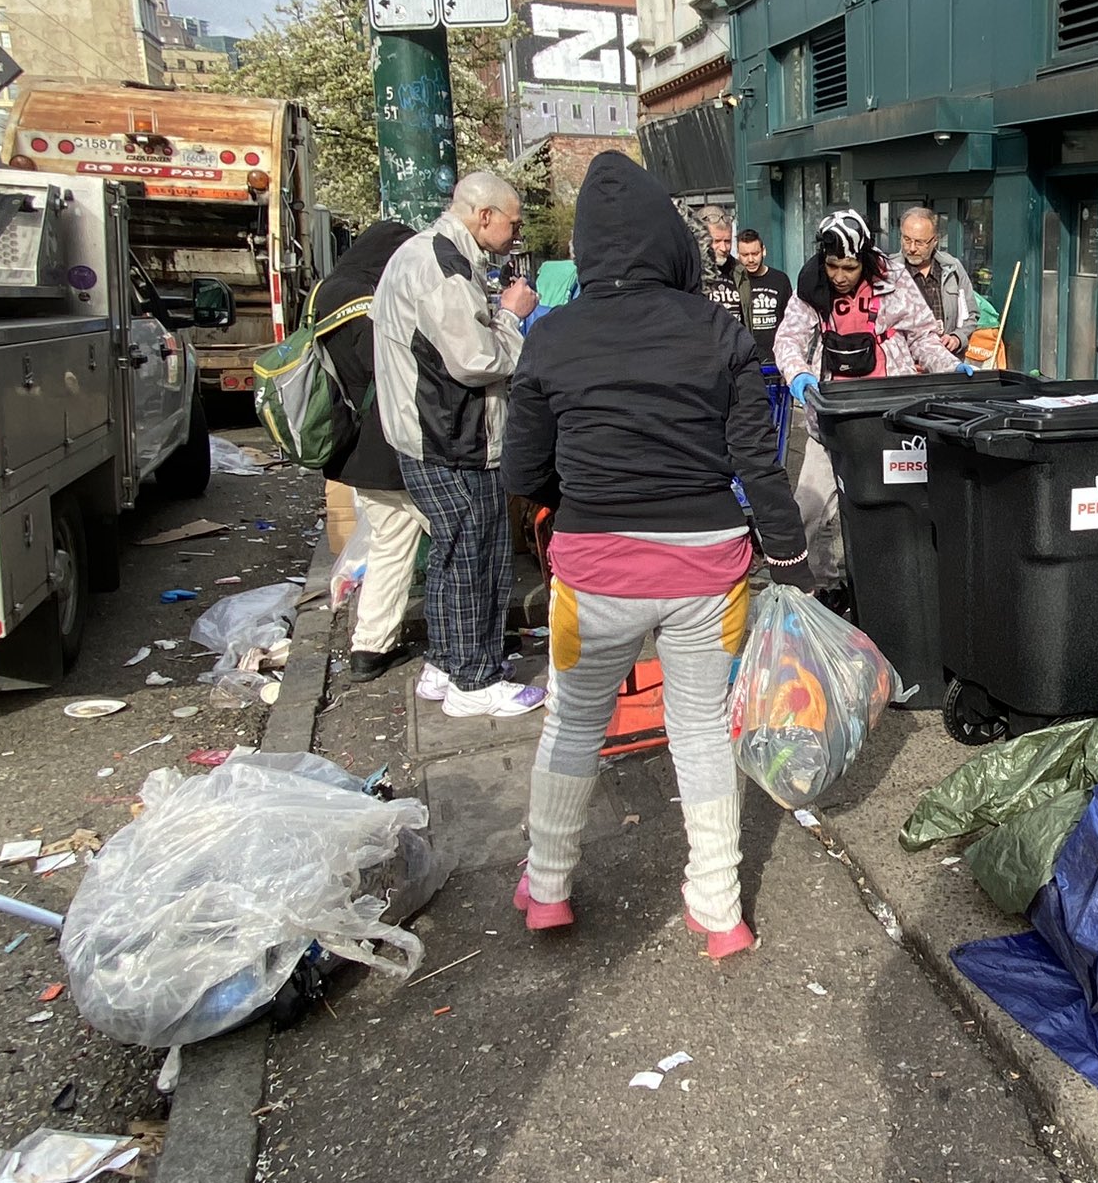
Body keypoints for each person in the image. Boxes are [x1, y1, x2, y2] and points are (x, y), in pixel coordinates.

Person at [503, 151, 812, 943]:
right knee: (703, 728)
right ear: (669, 243)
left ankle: (547, 889)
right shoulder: (720, 331)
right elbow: (758, 463)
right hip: (708, 566)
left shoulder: (550, 339)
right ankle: (718, 909)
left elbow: (525, 471)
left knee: (573, 724)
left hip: (594, 569)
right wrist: (792, 563)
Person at [372, 169, 545, 719]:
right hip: (453, 439)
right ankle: (475, 679)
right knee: (475, 556)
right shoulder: (443, 267)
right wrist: (513, 319)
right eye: (512, 224)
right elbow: (475, 361)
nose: (515, 236)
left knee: (451, 555)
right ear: (483, 215)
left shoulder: (427, 255)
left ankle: (447, 662)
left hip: (428, 434)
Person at [775, 209, 964, 592]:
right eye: (833, 266)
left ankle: (897, 588)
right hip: (830, 419)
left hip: (887, 419)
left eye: (849, 267)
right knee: (809, 513)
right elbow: (787, 339)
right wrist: (798, 374)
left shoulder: (892, 279)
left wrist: (950, 366)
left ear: (864, 258)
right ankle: (823, 591)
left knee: (894, 509)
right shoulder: (812, 285)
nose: (840, 277)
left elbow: (923, 336)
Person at [313, 220, 428, 683]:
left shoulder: (326, 291)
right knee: (465, 537)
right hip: (391, 444)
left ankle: (370, 646)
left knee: (391, 545)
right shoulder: (366, 301)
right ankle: (465, 640)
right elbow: (394, 367)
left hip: (357, 448)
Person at [889, 206, 980, 355]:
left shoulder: (953, 268)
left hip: (946, 363)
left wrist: (957, 338)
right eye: (906, 239)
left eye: (919, 242)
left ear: (935, 241)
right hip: (906, 367)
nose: (911, 248)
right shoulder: (889, 271)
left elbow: (971, 315)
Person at [736, 228, 792, 363]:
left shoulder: (780, 279)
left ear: (763, 251)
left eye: (755, 253)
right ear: (738, 255)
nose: (750, 259)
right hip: (745, 359)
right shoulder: (736, 281)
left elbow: (789, 321)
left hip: (776, 359)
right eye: (745, 254)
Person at [700, 208, 744, 323]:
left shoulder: (740, 271)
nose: (724, 248)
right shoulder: (690, 274)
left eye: (727, 241)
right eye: (717, 241)